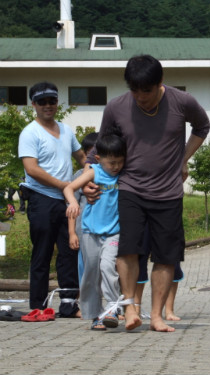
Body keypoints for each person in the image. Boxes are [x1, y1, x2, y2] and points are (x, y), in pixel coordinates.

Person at [85, 54, 210, 332]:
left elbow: (202, 126)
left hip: (168, 193)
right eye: (134, 90)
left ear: (160, 83)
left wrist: (183, 158)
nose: (140, 97)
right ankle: (130, 308)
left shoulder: (182, 102)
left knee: (166, 256)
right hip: (130, 190)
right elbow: (100, 149)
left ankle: (156, 316)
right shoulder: (116, 108)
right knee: (128, 250)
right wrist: (85, 179)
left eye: (147, 90)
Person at [18, 81, 86, 318]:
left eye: (52, 101)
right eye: (42, 102)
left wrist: (91, 175)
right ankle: (38, 306)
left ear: (58, 103)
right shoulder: (30, 132)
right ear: (34, 104)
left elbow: (81, 156)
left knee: (70, 251)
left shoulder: (66, 130)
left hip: (66, 201)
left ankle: (69, 305)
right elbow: (32, 169)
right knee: (42, 252)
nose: (48, 106)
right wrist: (64, 186)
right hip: (42, 199)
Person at [64, 129, 126, 330]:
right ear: (99, 159)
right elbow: (68, 188)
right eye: (111, 163)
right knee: (90, 273)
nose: (116, 167)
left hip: (113, 232)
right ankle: (94, 315)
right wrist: (73, 202)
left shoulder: (124, 174)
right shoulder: (94, 172)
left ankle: (112, 309)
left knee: (108, 267)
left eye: (119, 162)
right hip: (90, 232)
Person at [68, 132, 99, 284]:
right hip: (84, 233)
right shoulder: (79, 176)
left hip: (108, 233)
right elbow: (72, 207)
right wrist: (72, 232)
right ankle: (85, 305)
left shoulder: (112, 176)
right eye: (90, 154)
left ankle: (113, 306)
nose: (95, 159)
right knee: (86, 271)